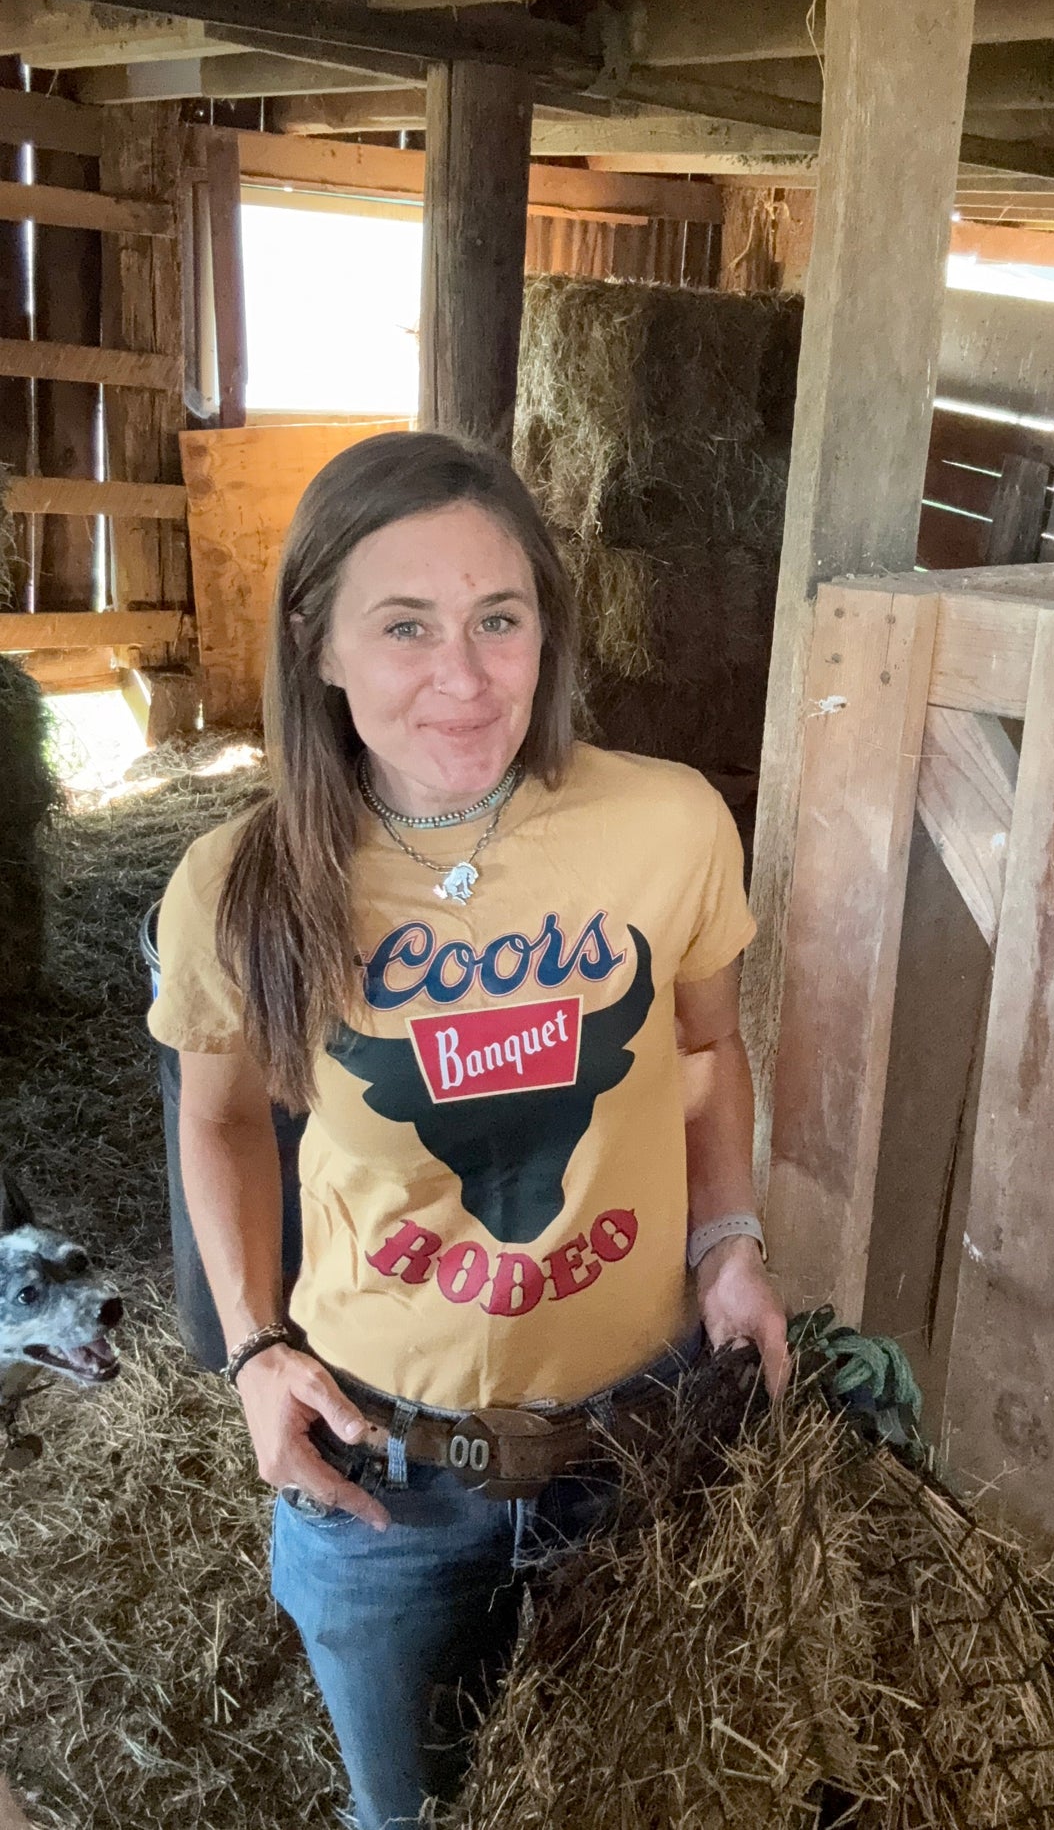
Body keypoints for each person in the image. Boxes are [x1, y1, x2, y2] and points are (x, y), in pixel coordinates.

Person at [147, 430, 788, 1830]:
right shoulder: (237, 885)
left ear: (548, 634)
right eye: (407, 627)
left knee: (632, 1794)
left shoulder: (669, 824)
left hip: (638, 1445)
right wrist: (255, 1346)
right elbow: (223, 1120)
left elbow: (699, 1046)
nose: (465, 675)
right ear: (318, 646)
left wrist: (730, 1239)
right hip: (378, 1474)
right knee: (407, 1813)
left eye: (500, 618)